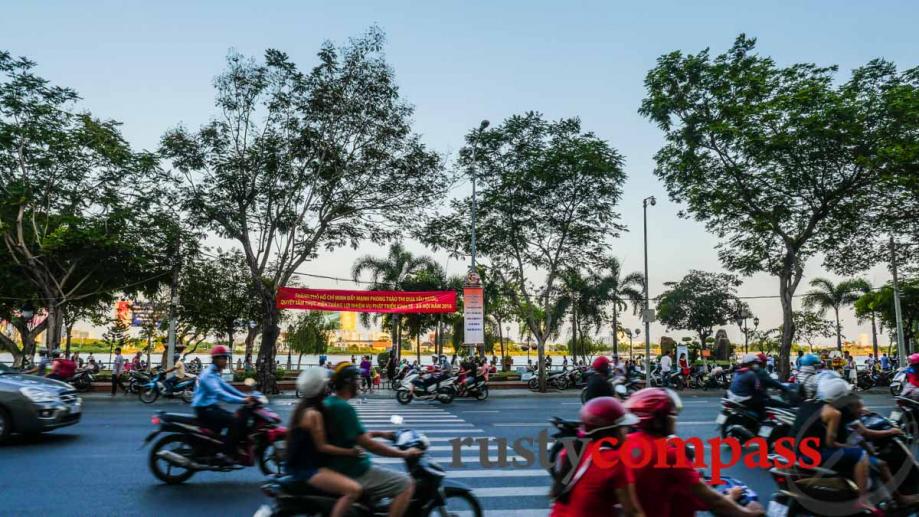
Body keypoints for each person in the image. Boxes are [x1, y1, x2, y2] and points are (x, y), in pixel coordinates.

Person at [624, 388, 765, 516]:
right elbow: (713, 501)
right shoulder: (668, 454)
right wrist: (749, 513)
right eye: (671, 414)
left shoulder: (628, 442)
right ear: (658, 421)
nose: (675, 419)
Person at [792, 377, 913, 511]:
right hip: (814, 454)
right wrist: (851, 448)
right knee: (861, 455)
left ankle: (893, 498)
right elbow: (832, 442)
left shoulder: (809, 404)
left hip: (797, 452)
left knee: (876, 461)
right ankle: (864, 499)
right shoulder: (835, 413)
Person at [323, 363, 421, 517]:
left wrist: (381, 434)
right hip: (353, 470)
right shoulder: (344, 409)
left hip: (341, 465)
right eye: (358, 378)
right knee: (405, 483)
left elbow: (352, 435)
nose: (361, 382)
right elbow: (369, 445)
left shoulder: (331, 403)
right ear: (349, 382)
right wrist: (405, 454)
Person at [287, 367, 363, 517]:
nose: (330, 388)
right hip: (308, 469)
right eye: (327, 385)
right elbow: (323, 447)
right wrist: (351, 452)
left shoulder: (304, 408)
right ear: (321, 388)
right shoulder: (314, 414)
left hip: (304, 464)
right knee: (354, 490)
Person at [549, 397, 644, 516]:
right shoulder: (614, 461)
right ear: (613, 431)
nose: (627, 432)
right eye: (623, 427)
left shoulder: (575, 449)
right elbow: (632, 512)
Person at [191, 345, 256, 461]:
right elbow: (220, 393)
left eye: (226, 358)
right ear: (216, 359)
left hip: (210, 407)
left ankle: (216, 447)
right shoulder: (208, 375)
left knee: (231, 419)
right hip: (205, 410)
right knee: (234, 421)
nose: (226, 361)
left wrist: (245, 396)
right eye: (224, 358)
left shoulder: (214, 372)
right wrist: (242, 400)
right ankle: (227, 452)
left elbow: (226, 387)